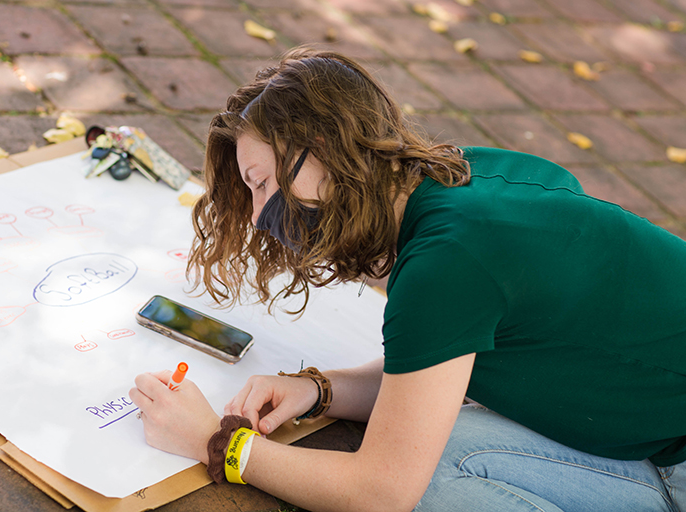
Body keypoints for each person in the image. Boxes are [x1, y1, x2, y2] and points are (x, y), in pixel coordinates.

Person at [129, 47, 686, 512]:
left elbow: (382, 492)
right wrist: (319, 390)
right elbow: (443, 369)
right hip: (658, 425)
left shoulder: (447, 264)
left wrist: (218, 443)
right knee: (425, 441)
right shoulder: (456, 175)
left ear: (320, 151)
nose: (257, 217)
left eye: (260, 184)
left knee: (429, 484)